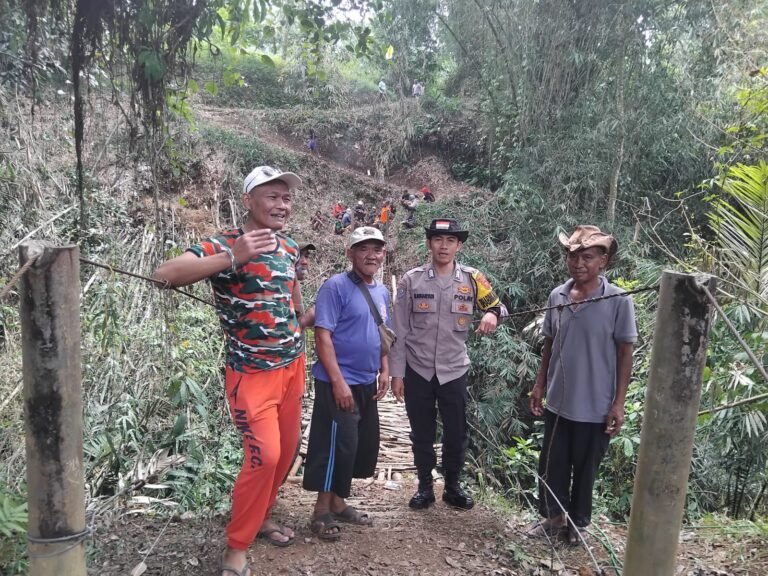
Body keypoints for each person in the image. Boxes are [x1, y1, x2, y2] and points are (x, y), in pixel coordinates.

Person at [153, 165, 306, 576]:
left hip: (292, 367)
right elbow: (163, 276)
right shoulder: (221, 243)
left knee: (286, 452)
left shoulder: (289, 246)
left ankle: (262, 517)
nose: (281, 204)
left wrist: (299, 321)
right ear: (248, 201)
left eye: (286, 197)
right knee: (264, 456)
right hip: (250, 375)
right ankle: (236, 547)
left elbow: (290, 294)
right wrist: (232, 257)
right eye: (272, 196)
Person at [528, 225, 636, 545]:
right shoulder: (557, 296)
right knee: (553, 464)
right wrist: (539, 385)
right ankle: (553, 518)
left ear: (603, 260)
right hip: (559, 401)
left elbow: (625, 354)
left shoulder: (618, 301)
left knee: (584, 470)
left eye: (587, 257)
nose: (578, 263)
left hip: (596, 405)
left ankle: (577, 525)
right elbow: (549, 344)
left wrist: (618, 403)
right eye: (572, 256)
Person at [390, 218, 507, 511]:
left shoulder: (472, 279)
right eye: (438, 240)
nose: (444, 246)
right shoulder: (411, 280)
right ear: (429, 243)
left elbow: (498, 305)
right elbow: (399, 331)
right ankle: (424, 487)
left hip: (454, 369)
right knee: (422, 432)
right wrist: (396, 373)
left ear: (459, 245)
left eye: (450, 240)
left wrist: (493, 314)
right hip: (417, 370)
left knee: (456, 432)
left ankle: (453, 486)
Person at [302, 226, 391, 540]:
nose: (371, 255)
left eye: (377, 249)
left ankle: (339, 502)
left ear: (383, 254)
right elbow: (322, 335)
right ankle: (321, 511)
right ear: (350, 253)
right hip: (338, 381)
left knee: (359, 447)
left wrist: (384, 369)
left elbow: (382, 335)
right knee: (335, 446)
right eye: (363, 248)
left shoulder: (381, 292)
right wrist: (339, 383)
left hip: (367, 381)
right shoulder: (335, 287)